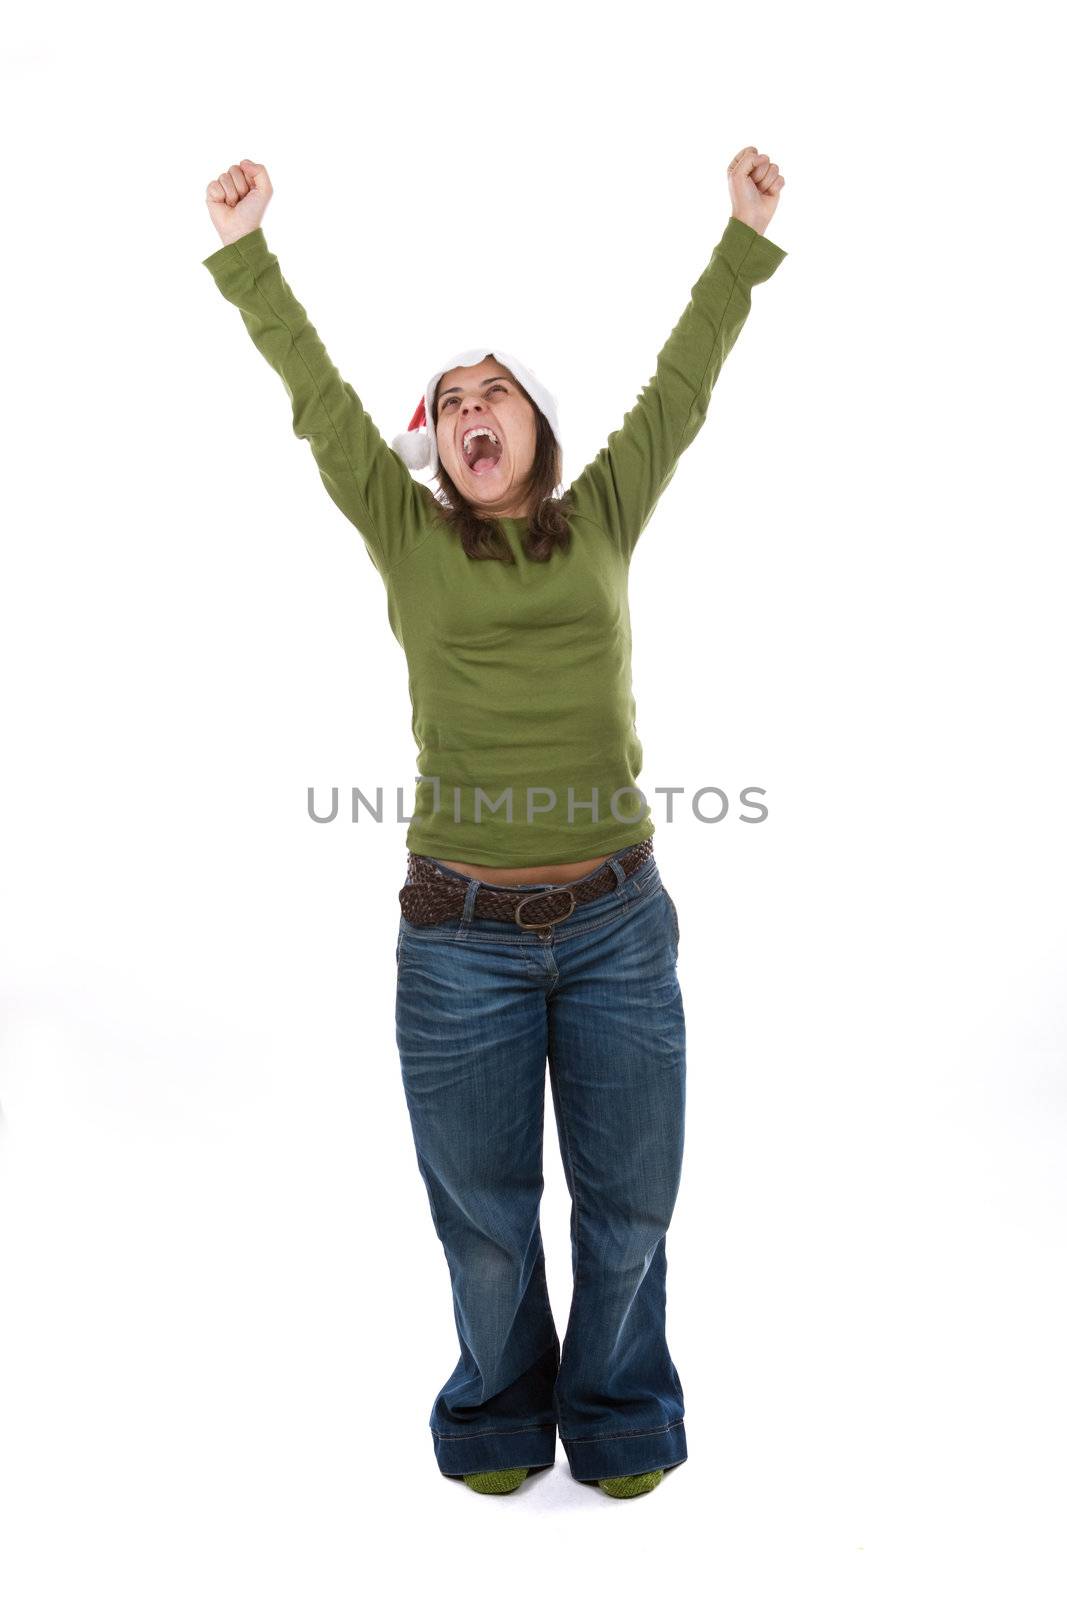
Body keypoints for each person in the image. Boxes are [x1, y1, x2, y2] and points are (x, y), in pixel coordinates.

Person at [202, 150, 787, 1499]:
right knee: (486, 1228)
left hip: (618, 930)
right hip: (456, 943)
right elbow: (324, 408)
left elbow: (683, 385)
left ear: (533, 425)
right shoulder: (404, 534)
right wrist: (246, 254)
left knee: (631, 1212)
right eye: (453, 401)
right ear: (441, 442)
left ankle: (624, 1418)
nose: (472, 410)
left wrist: (745, 236)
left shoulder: (606, 512)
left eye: (494, 394)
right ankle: (496, 1422)